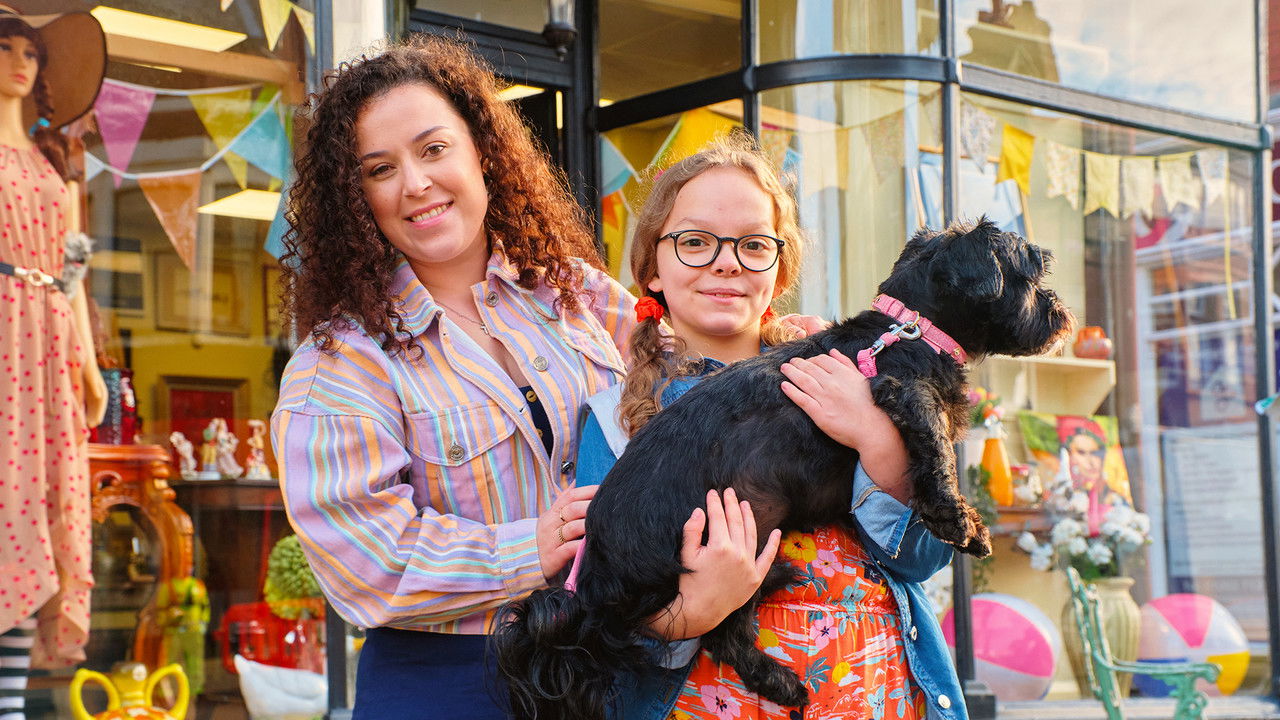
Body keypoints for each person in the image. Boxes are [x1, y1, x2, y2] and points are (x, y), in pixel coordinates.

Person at [270, 35, 647, 719]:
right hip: (448, 685)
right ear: (355, 197)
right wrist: (526, 549)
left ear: (481, 150)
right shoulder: (341, 367)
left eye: (434, 148)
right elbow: (367, 566)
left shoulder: (570, 293)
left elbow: (680, 369)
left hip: (602, 665)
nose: (415, 183)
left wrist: (766, 336)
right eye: (379, 169)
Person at [572, 136, 968, 720]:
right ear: (650, 267)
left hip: (879, 696)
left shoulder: (850, 378)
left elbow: (925, 556)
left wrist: (878, 440)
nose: (726, 261)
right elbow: (603, 613)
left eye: (753, 244)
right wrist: (694, 609)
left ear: (779, 274)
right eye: (695, 242)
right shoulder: (614, 422)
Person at [0, 6, 107, 718]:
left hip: (45, 350)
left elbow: (71, 273)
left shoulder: (54, 162)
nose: (20, 63)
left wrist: (91, 367)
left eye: (30, 53)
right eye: (6, 49)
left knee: (35, 512)